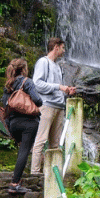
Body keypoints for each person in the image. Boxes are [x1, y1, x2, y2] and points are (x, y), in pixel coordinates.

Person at [30, 38, 76, 175]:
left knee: (55, 144)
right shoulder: (43, 62)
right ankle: (35, 172)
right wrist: (59, 87)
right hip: (47, 106)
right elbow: (37, 84)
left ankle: (52, 173)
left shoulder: (57, 66)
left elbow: (57, 88)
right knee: (41, 139)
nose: (64, 50)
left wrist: (67, 90)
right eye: (62, 47)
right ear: (56, 47)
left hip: (59, 106)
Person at [3, 58, 43, 194]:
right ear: (24, 69)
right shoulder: (27, 82)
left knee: (22, 150)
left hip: (13, 124)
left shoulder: (8, 85)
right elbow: (38, 100)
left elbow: (5, 106)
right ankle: (14, 183)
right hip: (29, 122)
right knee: (24, 151)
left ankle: (17, 180)